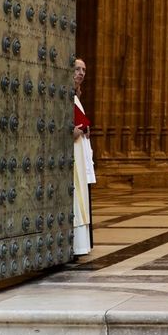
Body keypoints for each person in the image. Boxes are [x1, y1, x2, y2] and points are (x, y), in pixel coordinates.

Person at [72, 57, 96, 257]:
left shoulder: (76, 97)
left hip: (80, 152)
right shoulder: (64, 94)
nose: (81, 73)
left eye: (84, 70)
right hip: (72, 156)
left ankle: (82, 245)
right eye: (77, 69)